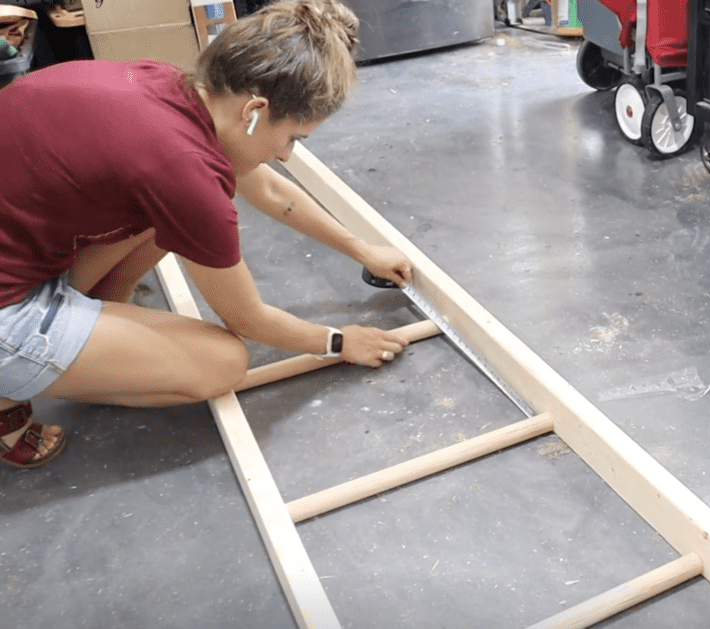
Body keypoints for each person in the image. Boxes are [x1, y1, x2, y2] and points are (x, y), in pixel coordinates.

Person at [0, 0, 412, 468]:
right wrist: (339, 343)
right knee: (222, 362)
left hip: (20, 251)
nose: (287, 155)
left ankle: (97, 329)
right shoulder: (183, 171)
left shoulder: (170, 86)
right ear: (255, 111)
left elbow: (271, 192)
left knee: (162, 214)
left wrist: (361, 249)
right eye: (295, 137)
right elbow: (248, 319)